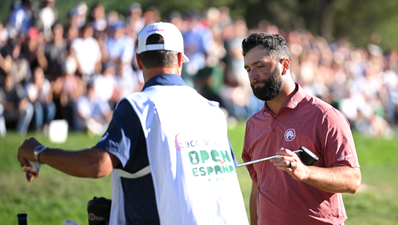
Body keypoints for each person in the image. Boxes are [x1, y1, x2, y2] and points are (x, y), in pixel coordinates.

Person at [17, 22, 249, 225]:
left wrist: (40, 152)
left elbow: (98, 165)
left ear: (138, 60)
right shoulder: (211, 109)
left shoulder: (138, 105)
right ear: (180, 59)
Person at [240, 32, 361, 225]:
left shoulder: (325, 116)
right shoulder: (253, 124)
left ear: (285, 65)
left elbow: (352, 180)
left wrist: (305, 172)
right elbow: (258, 186)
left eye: (260, 66)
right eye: (248, 69)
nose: (253, 75)